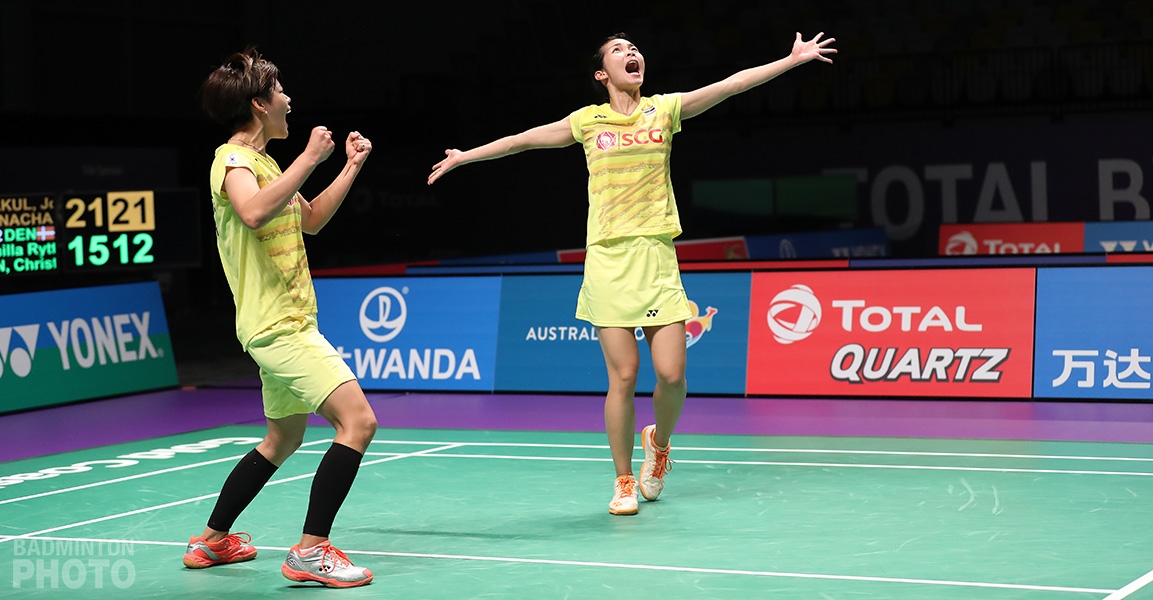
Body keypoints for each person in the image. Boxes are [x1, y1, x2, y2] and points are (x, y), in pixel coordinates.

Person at [428, 32, 836, 515]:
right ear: (602, 73)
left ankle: (658, 445)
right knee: (623, 376)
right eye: (619, 50)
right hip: (607, 259)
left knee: (673, 375)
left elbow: (730, 85)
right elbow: (522, 141)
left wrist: (790, 61)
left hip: (656, 258)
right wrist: (465, 156)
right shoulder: (587, 121)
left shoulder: (664, 110)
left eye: (635, 48)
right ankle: (623, 480)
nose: (632, 53)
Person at [184, 47, 377, 587]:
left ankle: (212, 539)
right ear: (258, 103)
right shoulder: (232, 160)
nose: (289, 100)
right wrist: (310, 158)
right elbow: (252, 211)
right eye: (280, 91)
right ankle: (311, 551)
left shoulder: (268, 164)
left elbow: (310, 220)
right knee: (358, 422)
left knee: (282, 439)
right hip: (277, 326)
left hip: (290, 320)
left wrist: (349, 166)